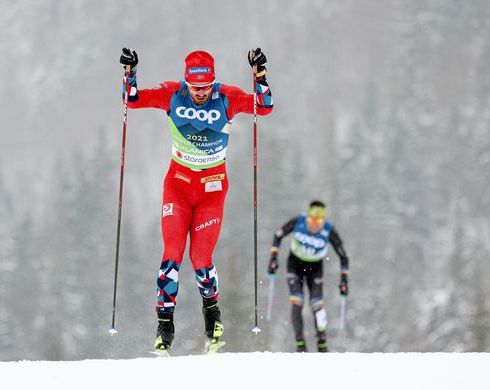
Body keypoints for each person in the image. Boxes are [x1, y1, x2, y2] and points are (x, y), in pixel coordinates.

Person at [119, 47, 273, 353]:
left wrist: (261, 75)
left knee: (200, 260)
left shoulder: (226, 97)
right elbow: (132, 99)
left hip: (211, 190)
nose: (200, 94)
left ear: (213, 83)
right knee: (171, 255)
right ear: (186, 83)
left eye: (204, 88)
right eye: (194, 89)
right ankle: (165, 327)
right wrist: (130, 72)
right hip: (177, 186)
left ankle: (212, 315)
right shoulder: (173, 94)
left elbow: (263, 107)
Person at [268, 200, 349, 352]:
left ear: (323, 220)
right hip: (294, 265)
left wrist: (344, 280)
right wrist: (273, 257)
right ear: (307, 217)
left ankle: (322, 344)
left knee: (317, 305)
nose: (314, 225)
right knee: (297, 303)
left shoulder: (329, 230)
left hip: (315, 268)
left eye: (318, 221)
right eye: (311, 220)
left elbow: (344, 256)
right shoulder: (299, 221)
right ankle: (300, 345)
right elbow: (278, 235)